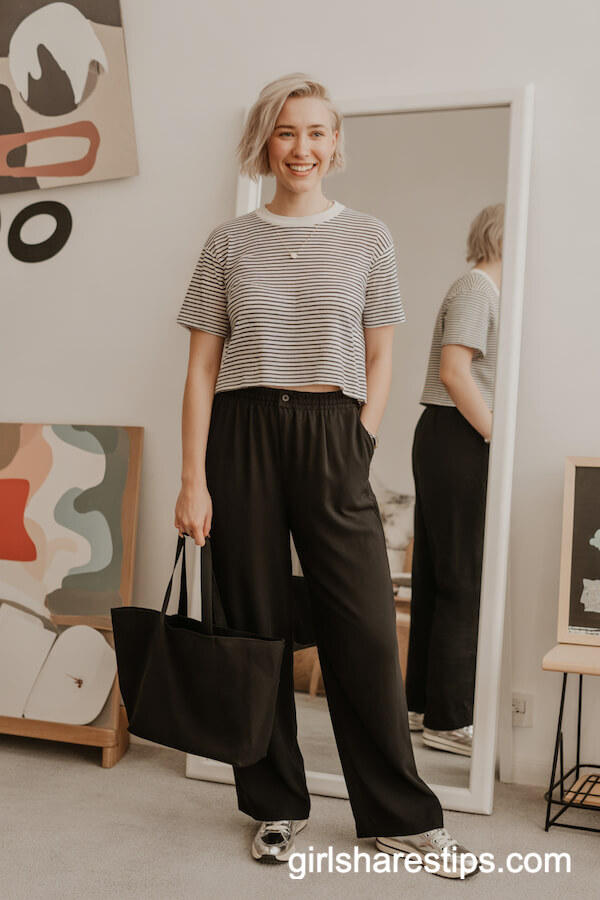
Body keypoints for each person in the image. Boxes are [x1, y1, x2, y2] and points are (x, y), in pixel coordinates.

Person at [174, 72, 478, 880]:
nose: (301, 147)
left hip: (333, 429)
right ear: (264, 143)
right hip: (239, 430)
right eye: (285, 132)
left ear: (337, 143)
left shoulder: (369, 237)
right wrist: (193, 478)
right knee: (254, 622)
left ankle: (400, 817)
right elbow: (202, 367)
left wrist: (360, 441)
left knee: (366, 630)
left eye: (316, 132)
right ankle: (275, 805)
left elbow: (382, 354)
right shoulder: (228, 242)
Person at [405, 204, 503, 757]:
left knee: (445, 575)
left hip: (454, 434)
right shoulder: (477, 288)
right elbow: (453, 371)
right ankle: (448, 717)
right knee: (462, 577)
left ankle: (425, 706)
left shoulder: (486, 292)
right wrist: (498, 437)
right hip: (459, 434)